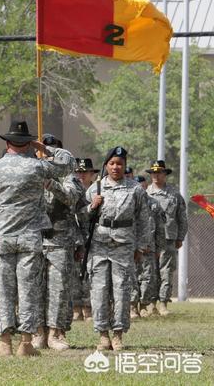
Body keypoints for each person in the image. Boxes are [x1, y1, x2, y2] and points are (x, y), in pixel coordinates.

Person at [0, 121, 75, 357]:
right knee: (28, 291)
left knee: (5, 292)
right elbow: (68, 165)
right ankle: (26, 343)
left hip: (2, 236)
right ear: (28, 142)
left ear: (7, 142)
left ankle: (5, 342)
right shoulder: (37, 167)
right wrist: (47, 149)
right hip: (30, 238)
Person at [84, 147, 150, 351]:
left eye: (119, 163)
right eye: (112, 163)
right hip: (99, 245)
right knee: (99, 290)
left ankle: (118, 334)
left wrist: (141, 246)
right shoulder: (95, 188)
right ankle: (103, 334)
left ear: (125, 166)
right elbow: (80, 217)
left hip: (124, 244)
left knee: (122, 290)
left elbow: (143, 219)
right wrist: (91, 207)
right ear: (106, 165)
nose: (115, 167)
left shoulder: (135, 189)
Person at [33, 135, 85, 351]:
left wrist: (51, 184)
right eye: (43, 152)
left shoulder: (69, 177)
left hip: (60, 239)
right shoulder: (32, 173)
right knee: (34, 289)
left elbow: (71, 198)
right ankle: (37, 332)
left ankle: (56, 333)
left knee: (58, 289)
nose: (46, 155)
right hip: (34, 238)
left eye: (51, 152)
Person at [145, 160, 187, 316]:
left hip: (169, 238)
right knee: (149, 272)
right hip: (149, 238)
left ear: (165, 174)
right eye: (153, 173)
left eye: (159, 172)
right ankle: (150, 304)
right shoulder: (145, 193)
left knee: (166, 272)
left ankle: (163, 303)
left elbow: (182, 218)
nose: (156, 175)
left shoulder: (174, 194)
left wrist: (180, 237)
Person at [129, 175, 165, 319]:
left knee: (147, 277)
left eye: (143, 187)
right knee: (131, 277)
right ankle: (132, 307)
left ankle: (144, 306)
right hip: (130, 247)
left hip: (149, 248)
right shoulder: (128, 203)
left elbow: (160, 228)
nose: (141, 189)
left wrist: (159, 247)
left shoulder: (154, 204)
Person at [71, 158, 99, 321]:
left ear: (91, 174)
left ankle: (88, 308)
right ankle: (76, 307)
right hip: (75, 237)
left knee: (90, 273)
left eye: (85, 172)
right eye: (79, 172)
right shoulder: (72, 190)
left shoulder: (98, 190)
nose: (81, 175)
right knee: (75, 274)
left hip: (94, 236)